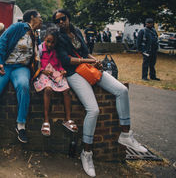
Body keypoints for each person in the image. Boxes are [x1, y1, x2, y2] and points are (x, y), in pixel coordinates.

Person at [53, 9, 147, 177]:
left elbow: (84, 51)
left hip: (89, 68)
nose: (60, 22)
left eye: (63, 18)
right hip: (73, 73)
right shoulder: (59, 38)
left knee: (122, 90)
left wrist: (94, 61)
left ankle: (126, 135)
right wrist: (88, 60)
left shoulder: (76, 31)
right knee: (93, 109)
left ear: (69, 17)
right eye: (57, 20)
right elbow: (66, 60)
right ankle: (86, 153)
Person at [0, 10, 42, 144]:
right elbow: (1, 42)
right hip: (4, 66)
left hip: (21, 68)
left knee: (23, 86)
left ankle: (21, 125)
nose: (42, 20)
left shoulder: (35, 34)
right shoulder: (18, 27)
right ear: (32, 17)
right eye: (40, 17)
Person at [33, 28, 77, 136]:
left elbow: (59, 63)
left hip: (55, 72)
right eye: (48, 41)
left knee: (66, 89)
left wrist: (62, 69)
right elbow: (35, 65)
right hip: (44, 73)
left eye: (53, 42)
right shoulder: (39, 49)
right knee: (48, 89)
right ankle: (46, 120)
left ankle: (67, 119)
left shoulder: (56, 50)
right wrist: (43, 70)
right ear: (44, 39)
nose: (50, 44)